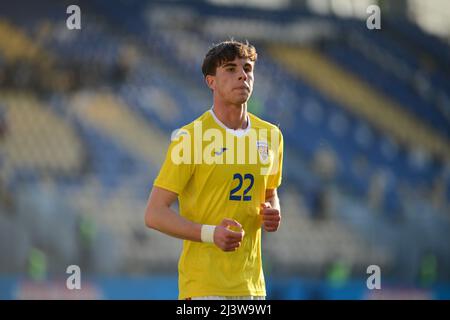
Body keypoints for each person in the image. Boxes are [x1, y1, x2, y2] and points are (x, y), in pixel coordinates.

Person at [144, 40, 284, 300]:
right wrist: (211, 234)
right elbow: (154, 214)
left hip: (252, 288)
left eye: (247, 68)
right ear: (211, 82)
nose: (242, 74)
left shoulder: (271, 135)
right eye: (230, 69)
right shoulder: (191, 138)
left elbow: (269, 192)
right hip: (203, 288)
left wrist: (273, 210)